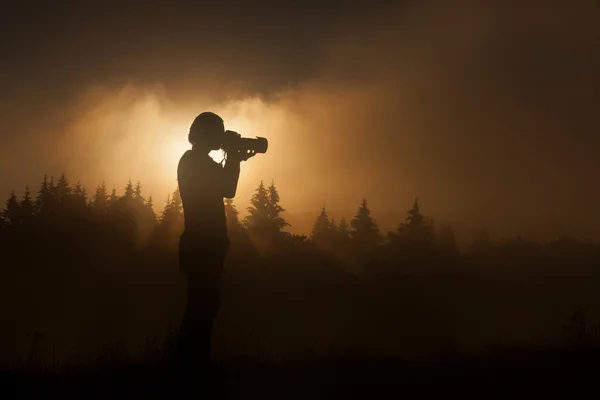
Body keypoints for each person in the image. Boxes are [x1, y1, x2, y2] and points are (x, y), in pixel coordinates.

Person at [176, 111, 255, 374]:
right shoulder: (196, 163)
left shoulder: (193, 161)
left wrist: (234, 158)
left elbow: (220, 185)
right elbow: (227, 189)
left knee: (203, 307)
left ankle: (191, 366)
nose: (221, 137)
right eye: (217, 132)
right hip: (203, 245)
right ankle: (192, 368)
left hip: (201, 244)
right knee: (202, 308)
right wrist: (234, 159)